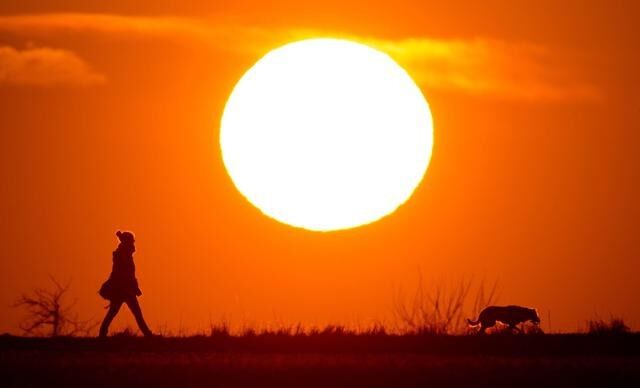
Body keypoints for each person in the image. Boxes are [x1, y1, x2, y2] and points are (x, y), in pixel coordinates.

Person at [98, 231, 154, 337]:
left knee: (119, 313)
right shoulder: (121, 255)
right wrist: (131, 287)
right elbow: (122, 274)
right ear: (127, 242)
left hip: (126, 290)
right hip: (122, 290)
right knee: (133, 313)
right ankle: (148, 335)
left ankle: (102, 333)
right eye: (131, 241)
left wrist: (135, 287)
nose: (133, 244)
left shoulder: (125, 255)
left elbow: (130, 274)